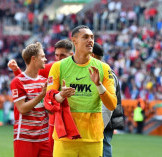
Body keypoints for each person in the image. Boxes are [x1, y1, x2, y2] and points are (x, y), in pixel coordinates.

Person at [47, 25, 117, 157]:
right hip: (65, 138)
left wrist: (99, 85)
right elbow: (49, 101)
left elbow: (112, 104)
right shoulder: (58, 67)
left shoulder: (104, 68)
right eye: (85, 37)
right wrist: (61, 95)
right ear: (74, 41)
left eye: (92, 37)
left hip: (93, 138)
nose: (90, 40)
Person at [8, 39, 74, 152]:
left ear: (71, 55)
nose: (58, 59)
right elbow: (28, 79)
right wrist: (17, 71)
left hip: (77, 121)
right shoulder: (51, 68)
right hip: (52, 124)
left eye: (62, 55)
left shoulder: (81, 69)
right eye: (56, 55)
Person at [10, 42, 52, 157]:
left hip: (44, 139)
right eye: (42, 56)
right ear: (33, 59)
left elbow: (48, 108)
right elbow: (22, 109)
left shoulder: (44, 81)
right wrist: (41, 95)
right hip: (25, 138)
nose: (45, 59)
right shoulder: (17, 81)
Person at [92, 42, 124, 157]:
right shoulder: (107, 71)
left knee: (103, 146)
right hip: (106, 119)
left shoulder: (105, 73)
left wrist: (100, 124)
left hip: (104, 120)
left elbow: (107, 103)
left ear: (93, 55)